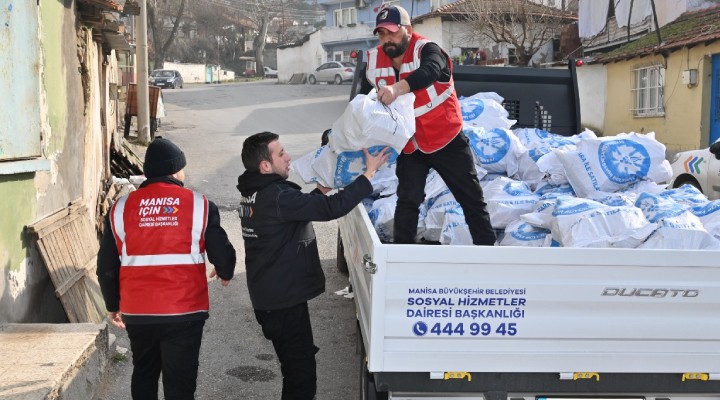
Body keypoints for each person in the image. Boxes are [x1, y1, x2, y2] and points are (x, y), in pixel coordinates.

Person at [236, 131, 389, 400]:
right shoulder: (276, 196)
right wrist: (368, 175)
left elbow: (290, 213)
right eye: (281, 153)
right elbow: (330, 209)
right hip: (282, 303)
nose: (288, 157)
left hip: (273, 298)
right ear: (265, 166)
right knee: (300, 376)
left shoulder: (256, 194)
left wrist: (318, 192)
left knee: (296, 371)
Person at [97, 137, 236, 400]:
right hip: (184, 312)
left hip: (138, 312)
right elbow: (221, 250)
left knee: (144, 374)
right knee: (180, 384)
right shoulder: (199, 204)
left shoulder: (120, 208)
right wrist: (225, 270)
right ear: (175, 170)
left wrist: (113, 304)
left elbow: (106, 266)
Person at [359, 5, 496, 245]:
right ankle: (402, 260)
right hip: (410, 144)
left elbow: (430, 71)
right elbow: (360, 104)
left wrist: (397, 88)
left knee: (471, 199)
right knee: (408, 201)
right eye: (381, 34)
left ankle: (488, 254)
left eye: (392, 32)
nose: (387, 39)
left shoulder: (428, 49)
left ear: (408, 30)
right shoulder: (372, 61)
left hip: (445, 137)